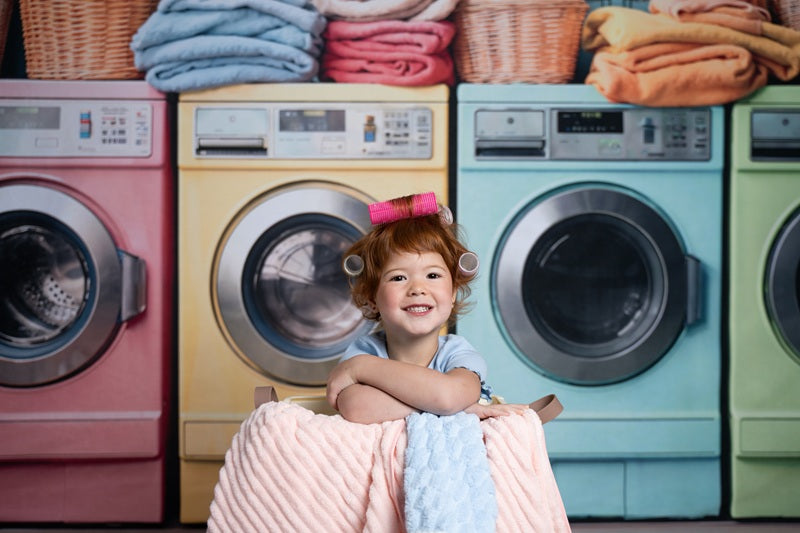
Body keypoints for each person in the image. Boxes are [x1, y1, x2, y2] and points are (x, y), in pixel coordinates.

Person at [326, 192, 528, 424]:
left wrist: (360, 368)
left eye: (432, 275)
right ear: (372, 298)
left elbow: (448, 396)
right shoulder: (366, 349)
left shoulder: (457, 353)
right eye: (398, 278)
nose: (417, 289)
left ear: (452, 293)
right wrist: (458, 412)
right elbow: (357, 407)